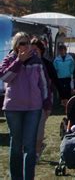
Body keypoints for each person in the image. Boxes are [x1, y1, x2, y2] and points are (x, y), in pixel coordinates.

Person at [0, 32, 51, 180]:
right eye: (21, 43)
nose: (25, 46)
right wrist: (18, 61)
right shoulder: (9, 59)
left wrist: (46, 103)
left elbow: (44, 84)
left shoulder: (37, 61)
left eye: (27, 43)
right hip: (13, 108)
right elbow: (4, 77)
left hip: (33, 108)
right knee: (16, 145)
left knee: (30, 146)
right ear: (15, 46)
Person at [30, 37, 58, 163]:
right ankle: (34, 149)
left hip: (45, 98)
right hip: (29, 101)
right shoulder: (27, 63)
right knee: (32, 128)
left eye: (36, 50)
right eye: (32, 50)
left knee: (39, 128)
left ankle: (37, 151)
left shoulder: (47, 64)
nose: (34, 52)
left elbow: (55, 80)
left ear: (41, 50)